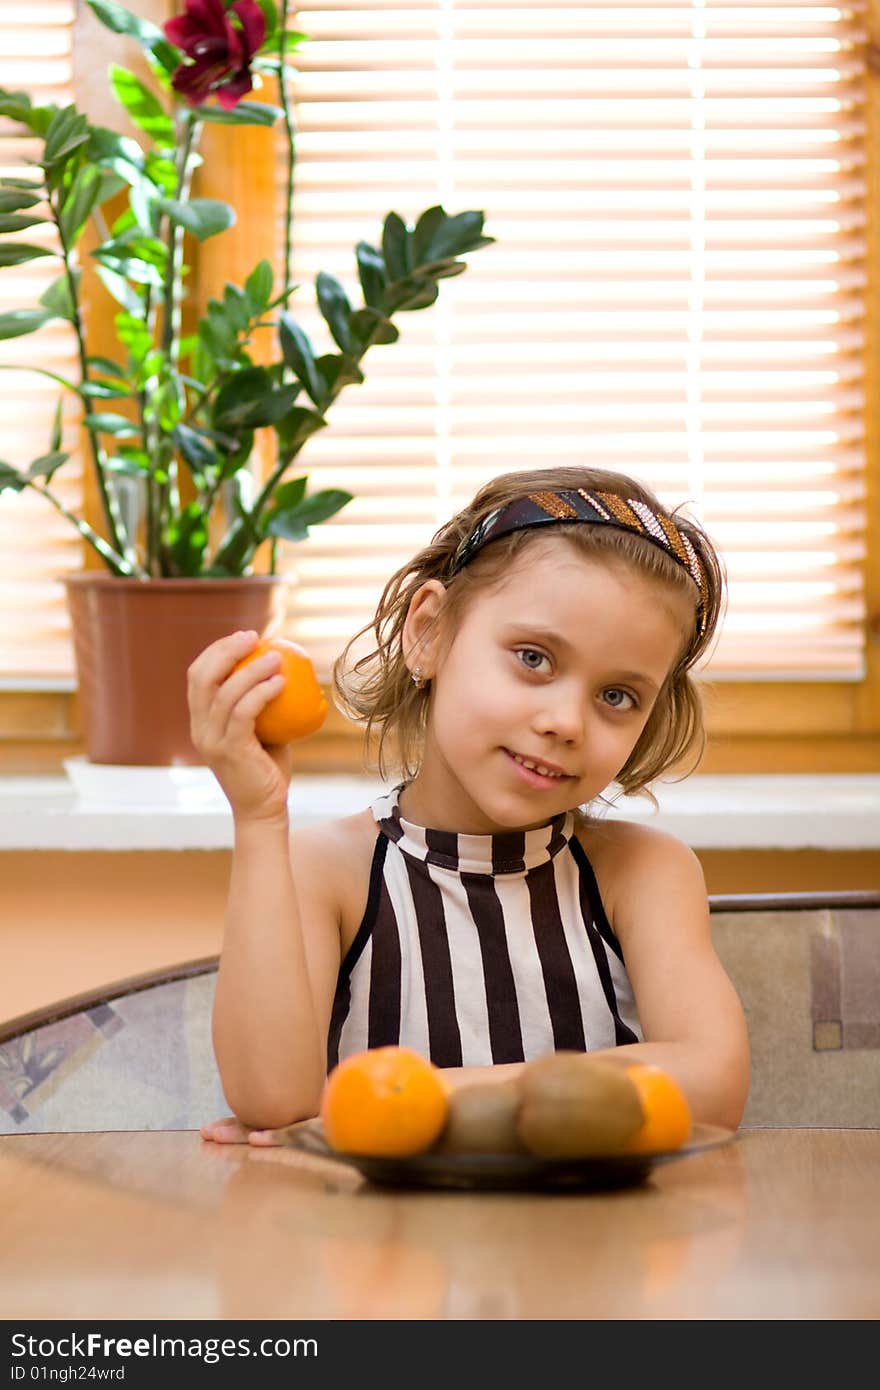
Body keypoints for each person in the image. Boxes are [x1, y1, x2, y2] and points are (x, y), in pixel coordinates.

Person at [190, 465, 750, 1145]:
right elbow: (274, 1101)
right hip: (382, 1251)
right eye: (534, 659)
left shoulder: (643, 873)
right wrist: (258, 818)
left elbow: (715, 1084)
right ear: (429, 632)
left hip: (601, 1247)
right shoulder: (323, 871)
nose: (567, 722)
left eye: (617, 696)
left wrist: (395, 1102)